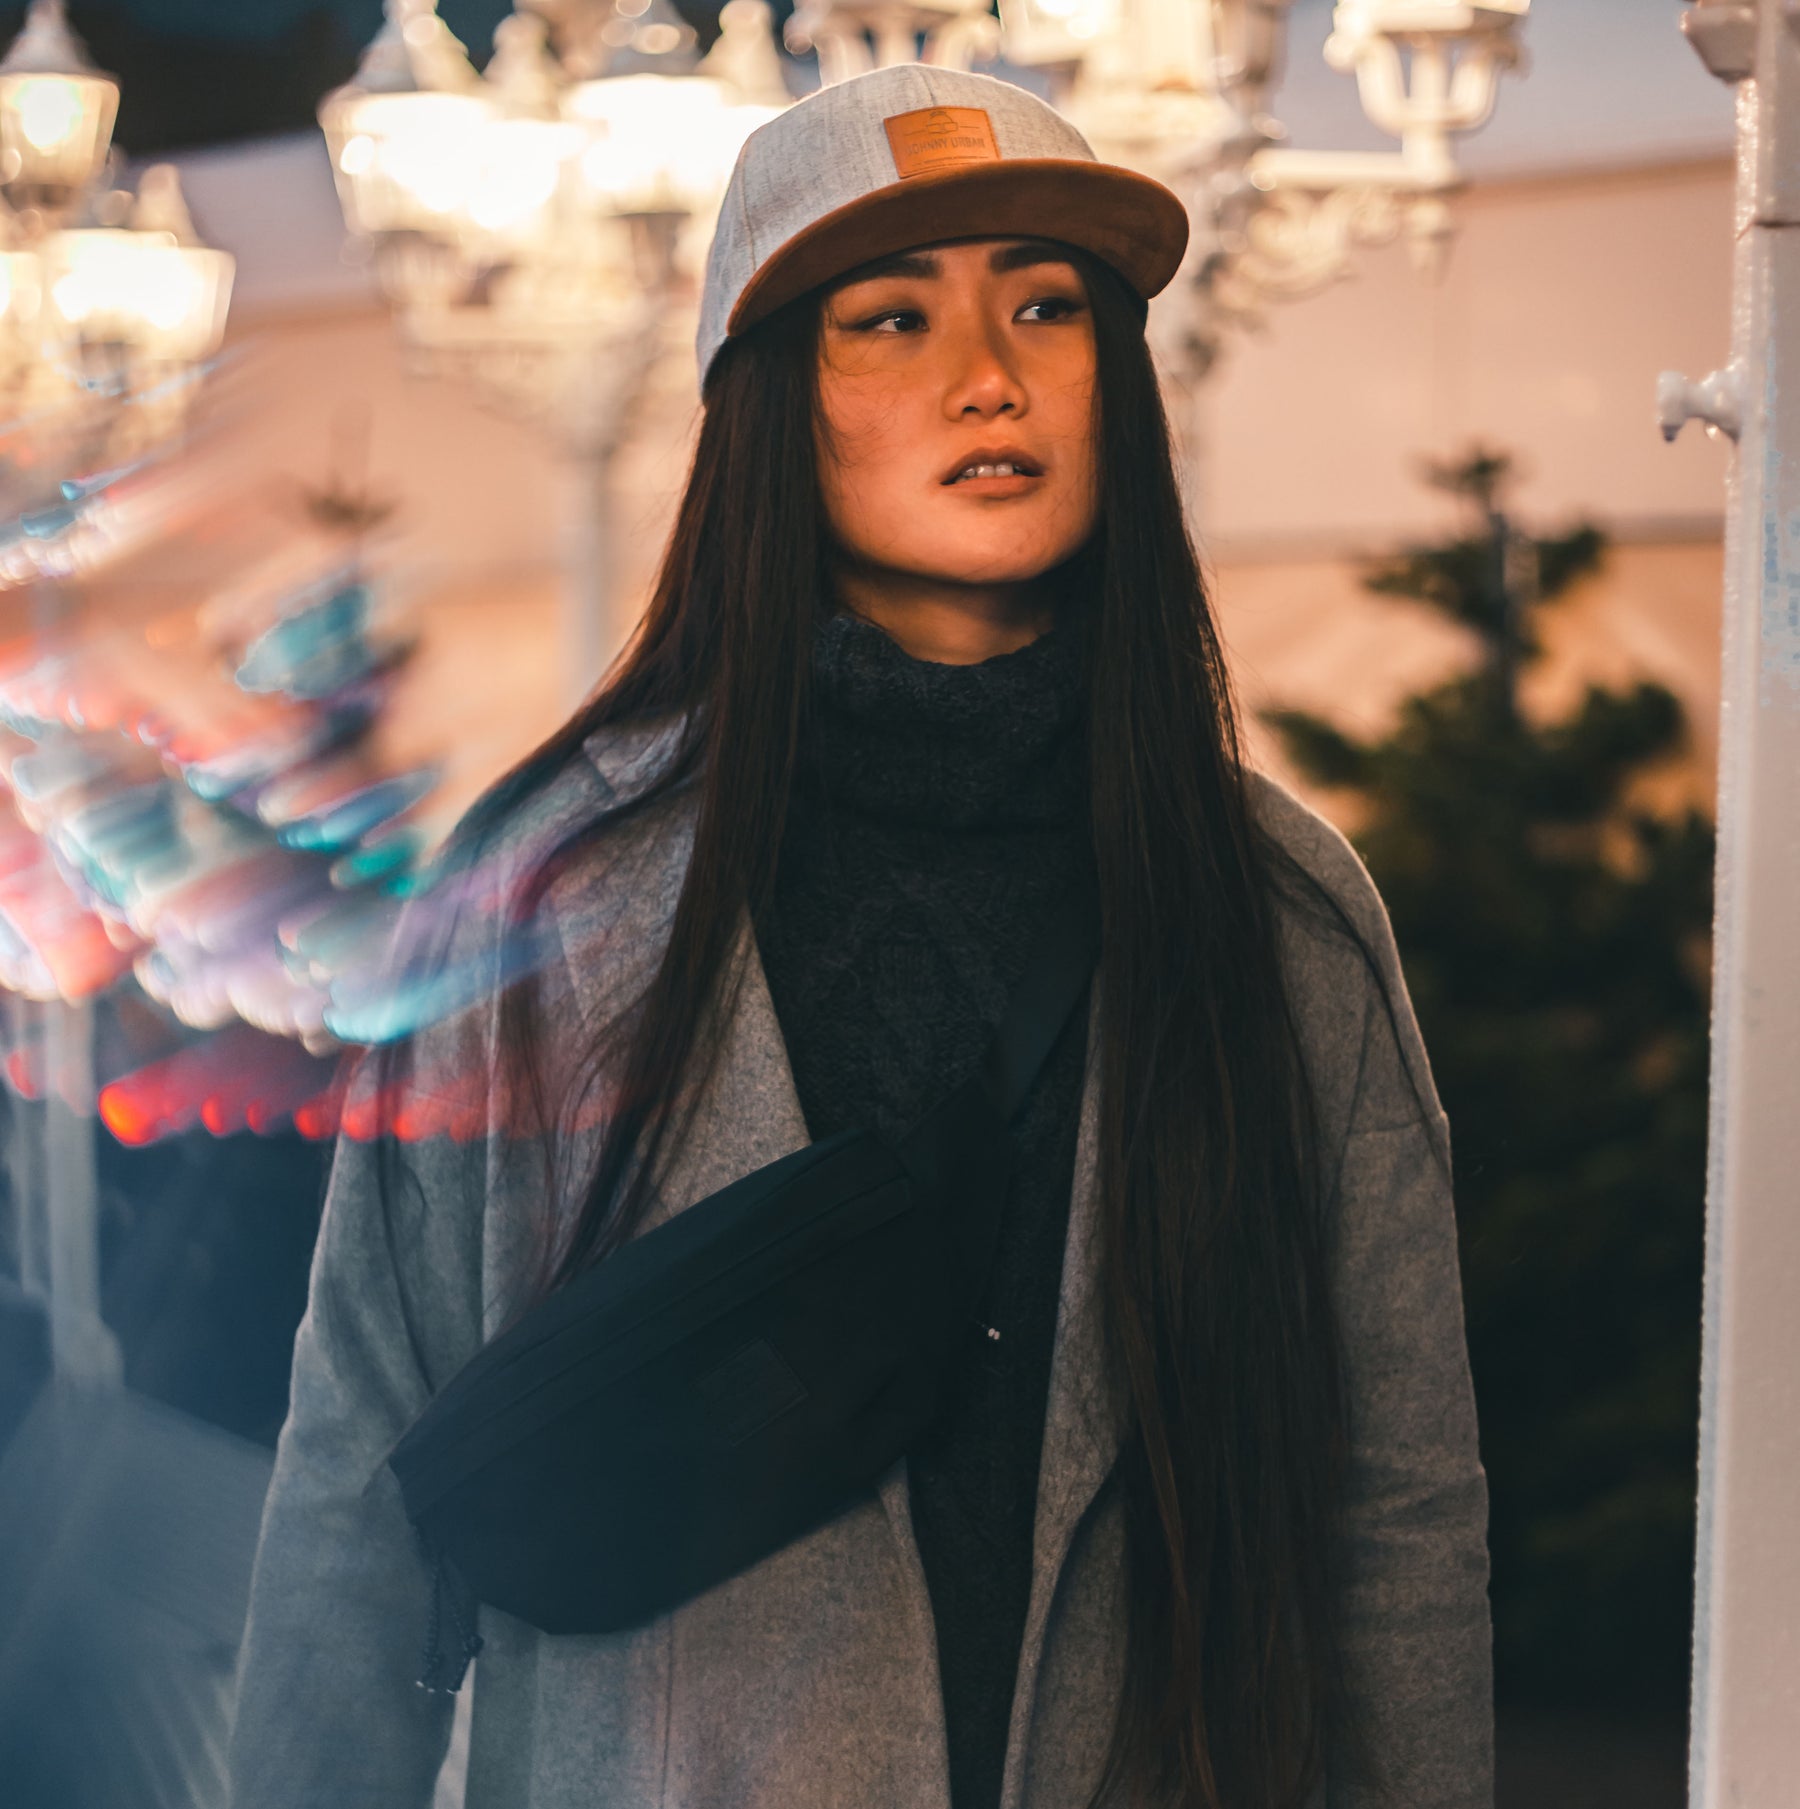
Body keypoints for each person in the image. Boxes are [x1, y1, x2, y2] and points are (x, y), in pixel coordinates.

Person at [226, 62, 1492, 1809]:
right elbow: (362, 1472)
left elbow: (1398, 1521)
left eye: (1048, 304)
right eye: (889, 320)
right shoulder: (551, 896)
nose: (993, 373)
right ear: (772, 407)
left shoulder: (1277, 916)